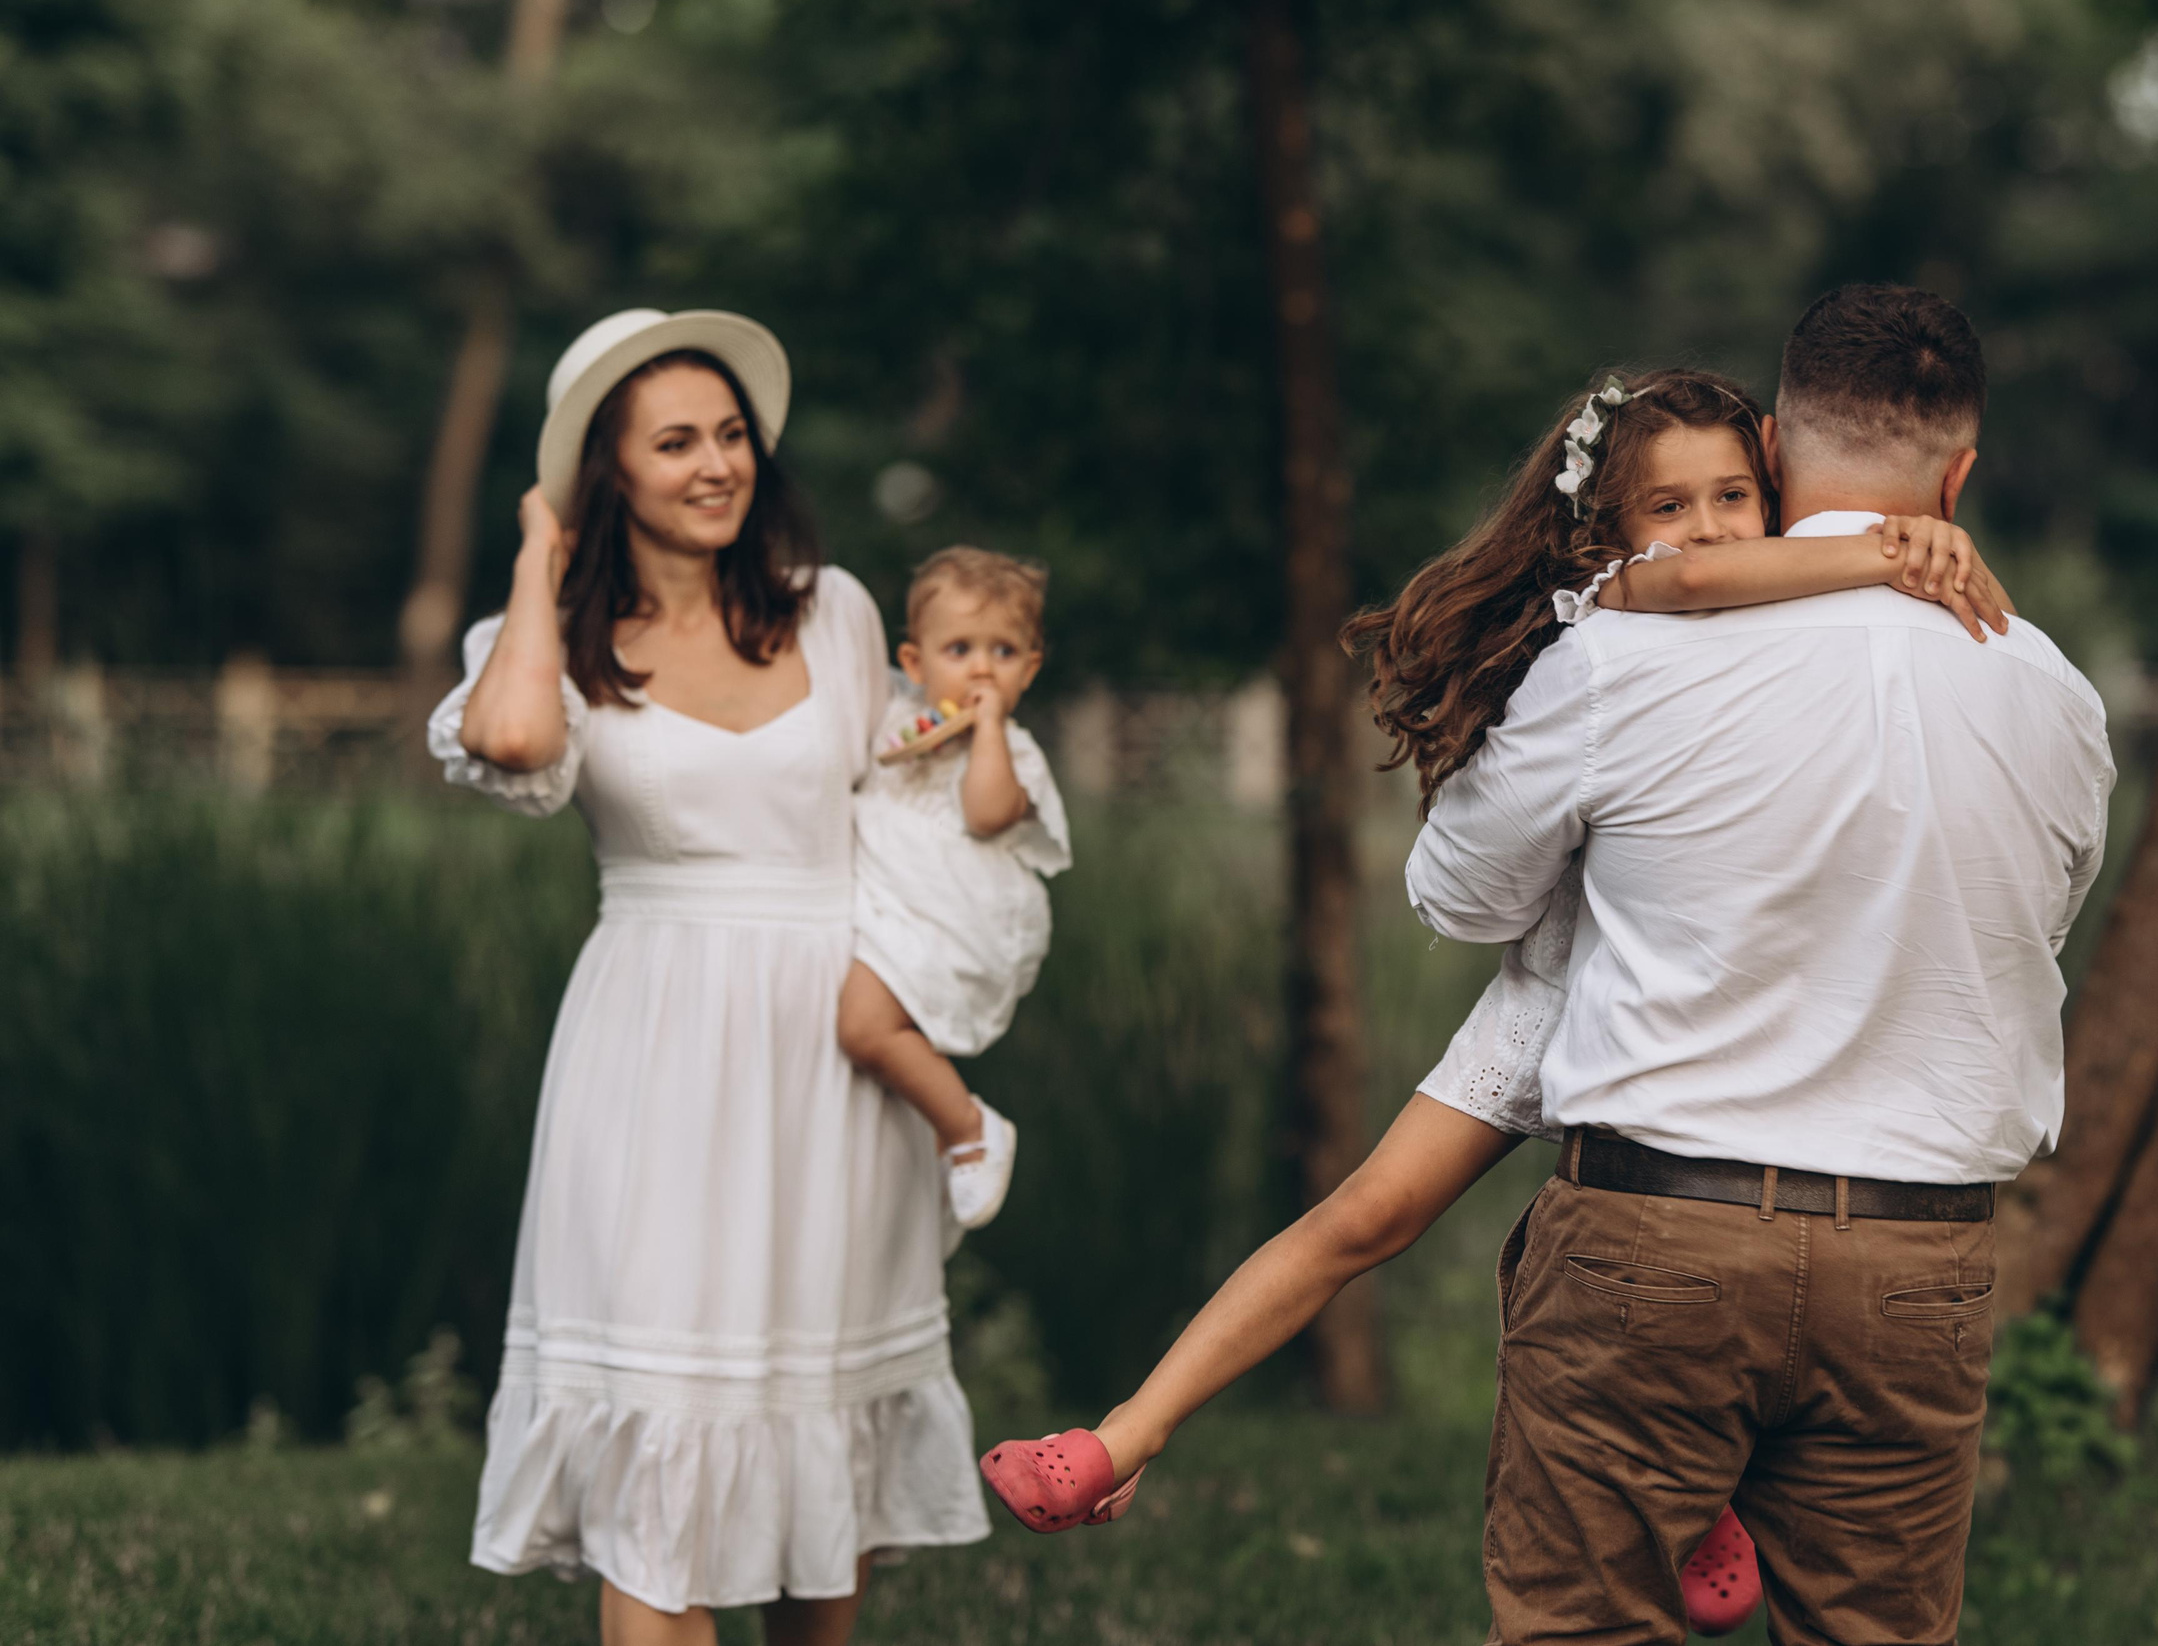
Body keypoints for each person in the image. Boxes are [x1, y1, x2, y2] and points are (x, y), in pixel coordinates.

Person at [978, 361, 2019, 1633]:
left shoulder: (1806, 628)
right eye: (1668, 504)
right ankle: (1122, 1433)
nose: (1704, 529)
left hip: (1676, 1022)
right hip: (1564, 985)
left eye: (1732, 495)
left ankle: (1711, 1496)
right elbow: (1693, 583)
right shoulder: (1627, 606)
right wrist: (1890, 550)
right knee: (1369, 1213)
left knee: (1657, 1253)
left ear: (1774, 484)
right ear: (1610, 529)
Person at [1417, 285, 2115, 1645]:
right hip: (1918, 1257)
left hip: (1654, 1235)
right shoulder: (2052, 693)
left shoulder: (1621, 654)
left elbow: (1462, 897)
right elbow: (2029, 929)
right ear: (1959, 476)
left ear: (1777, 452)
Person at [429, 309, 986, 1646]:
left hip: (833, 1048)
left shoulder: (834, 612)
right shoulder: (547, 642)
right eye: (675, 441)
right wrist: (540, 551)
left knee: (819, 1416)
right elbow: (510, 740)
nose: (717, 463)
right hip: (656, 1051)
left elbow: (912, 802)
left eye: (731, 434)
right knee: (661, 1430)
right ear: (607, 470)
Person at [836, 546, 1072, 1229]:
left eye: (1004, 652)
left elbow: (987, 812)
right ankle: (937, 1145)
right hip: (889, 906)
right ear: (915, 664)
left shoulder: (1013, 750)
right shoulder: (897, 719)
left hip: (952, 922)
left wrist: (988, 727)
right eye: (960, 649)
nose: (981, 668)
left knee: (863, 1027)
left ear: (1029, 669)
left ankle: (967, 1127)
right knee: (872, 1033)